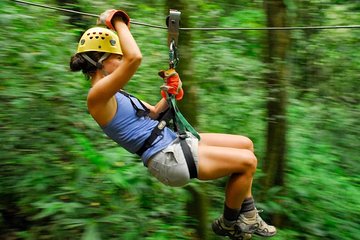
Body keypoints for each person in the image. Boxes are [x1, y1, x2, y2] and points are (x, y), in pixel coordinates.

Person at [69, 9, 277, 240]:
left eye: (120, 57)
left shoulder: (116, 94)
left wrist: (172, 91)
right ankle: (230, 223)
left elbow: (156, 114)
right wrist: (117, 21)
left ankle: (247, 214)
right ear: (101, 61)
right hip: (166, 157)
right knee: (247, 163)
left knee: (245, 145)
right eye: (117, 57)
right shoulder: (97, 96)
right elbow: (135, 58)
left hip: (171, 141)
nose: (121, 61)